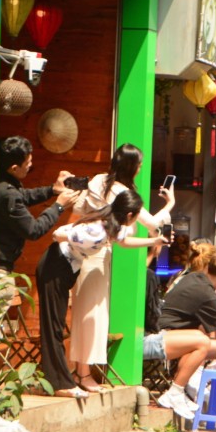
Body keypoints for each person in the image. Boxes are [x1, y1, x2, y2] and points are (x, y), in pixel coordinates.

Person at [38, 190, 167, 398]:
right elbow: (57, 234)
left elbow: (125, 241)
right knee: (53, 326)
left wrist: (154, 242)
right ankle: (61, 383)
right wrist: (75, 240)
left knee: (56, 324)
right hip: (55, 266)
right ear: (129, 216)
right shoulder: (98, 229)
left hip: (63, 268)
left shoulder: (110, 224)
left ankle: (61, 381)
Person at [68, 143, 175, 393]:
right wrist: (169, 205)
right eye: (138, 164)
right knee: (93, 316)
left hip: (85, 255)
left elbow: (77, 210)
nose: (140, 168)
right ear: (132, 166)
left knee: (88, 315)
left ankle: (80, 372)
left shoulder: (98, 182)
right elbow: (152, 224)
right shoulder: (119, 192)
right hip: (97, 257)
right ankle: (83, 374)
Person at [148, 249, 216, 420]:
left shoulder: (194, 278)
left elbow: (208, 315)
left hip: (173, 336)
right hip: (160, 337)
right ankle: (180, 393)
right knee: (206, 342)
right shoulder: (207, 293)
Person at [0, 136, 80, 290]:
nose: (31, 165)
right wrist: (59, 206)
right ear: (14, 168)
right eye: (27, 163)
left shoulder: (0, 182)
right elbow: (33, 230)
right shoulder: (7, 194)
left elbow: (23, 195)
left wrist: (52, 190)